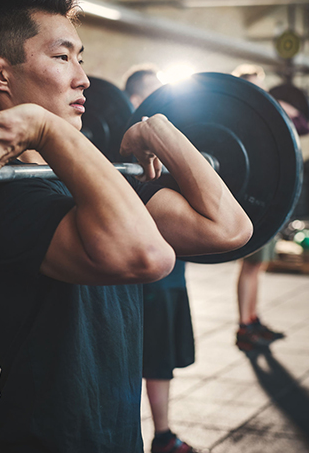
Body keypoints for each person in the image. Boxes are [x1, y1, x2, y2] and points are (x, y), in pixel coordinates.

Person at [0, 0, 252, 453]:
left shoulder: (97, 187)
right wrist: (49, 129)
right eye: (61, 57)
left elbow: (230, 229)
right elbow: (149, 257)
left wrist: (160, 130)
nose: (83, 78)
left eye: (81, 58)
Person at [124, 67, 199, 453]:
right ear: (135, 101)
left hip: (171, 275)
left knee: (159, 360)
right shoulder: (119, 148)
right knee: (132, 361)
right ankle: (145, 435)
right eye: (152, 98)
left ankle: (162, 434)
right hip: (138, 279)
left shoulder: (168, 147)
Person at [231, 65, 309, 352]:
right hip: (251, 203)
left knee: (258, 266)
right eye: (255, 88)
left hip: (268, 199)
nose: (261, 94)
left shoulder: (264, 115)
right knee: (250, 266)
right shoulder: (240, 119)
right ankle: (244, 326)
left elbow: (303, 125)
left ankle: (252, 320)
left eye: (262, 88)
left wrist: (271, 101)